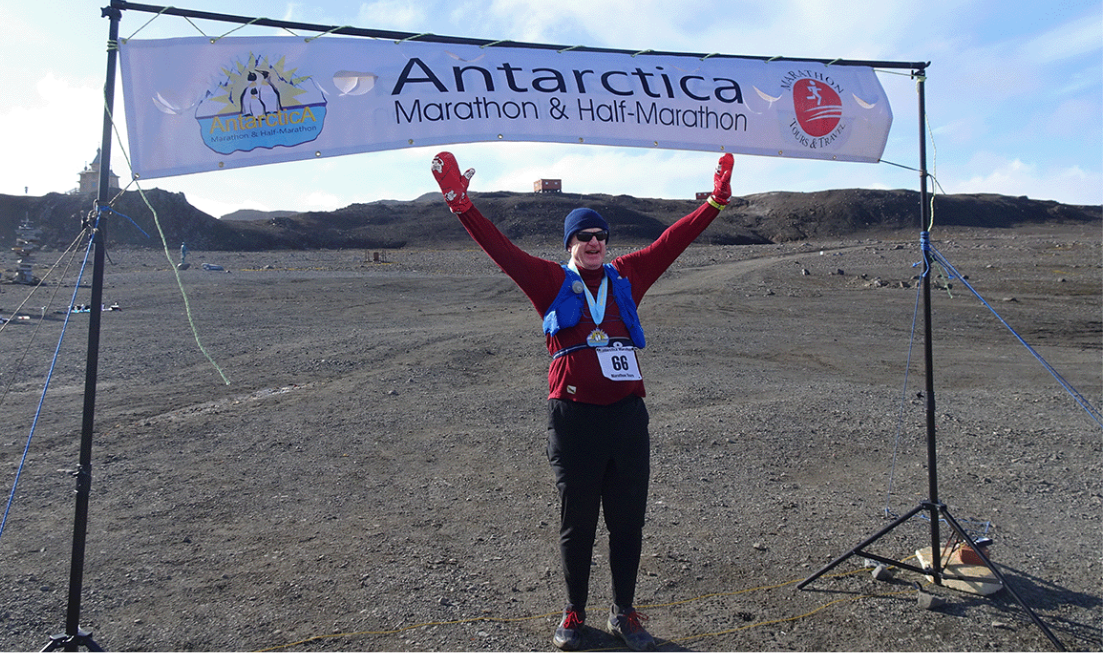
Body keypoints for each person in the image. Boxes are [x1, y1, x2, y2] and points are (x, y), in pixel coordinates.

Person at [431, 150, 734, 651]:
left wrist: (716, 203)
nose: (593, 244)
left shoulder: (628, 276)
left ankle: (625, 611)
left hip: (627, 420)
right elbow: (503, 252)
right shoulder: (551, 282)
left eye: (600, 238)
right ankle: (574, 610)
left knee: (628, 521)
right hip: (573, 420)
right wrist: (462, 206)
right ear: (569, 245)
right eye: (582, 238)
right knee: (578, 522)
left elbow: (670, 242)